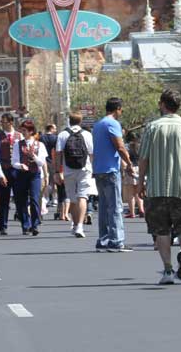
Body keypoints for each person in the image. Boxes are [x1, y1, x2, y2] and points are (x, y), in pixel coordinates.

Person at [137, 89, 181, 285]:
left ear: (162, 104)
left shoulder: (152, 127)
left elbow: (143, 158)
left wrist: (141, 182)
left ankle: (167, 270)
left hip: (156, 188)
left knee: (161, 230)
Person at [92, 97, 133, 252]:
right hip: (110, 170)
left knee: (103, 206)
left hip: (99, 169)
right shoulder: (113, 123)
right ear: (118, 109)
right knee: (116, 206)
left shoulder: (98, 125)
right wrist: (129, 164)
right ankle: (116, 240)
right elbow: (120, 147)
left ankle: (104, 239)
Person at [55, 112, 94, 238]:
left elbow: (58, 154)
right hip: (84, 169)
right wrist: (94, 169)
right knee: (83, 197)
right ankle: (80, 227)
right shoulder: (87, 134)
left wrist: (57, 171)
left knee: (72, 198)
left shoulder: (62, 134)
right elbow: (92, 153)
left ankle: (75, 224)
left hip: (68, 170)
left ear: (69, 121)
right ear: (80, 121)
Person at [0, 113, 23, 236]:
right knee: (4, 200)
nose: (2, 124)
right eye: (1, 122)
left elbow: (22, 154)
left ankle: (26, 224)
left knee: (21, 199)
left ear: (11, 122)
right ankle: (3, 226)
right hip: (4, 170)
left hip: (17, 171)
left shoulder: (19, 135)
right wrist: (0, 174)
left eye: (4, 122)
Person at [13, 120, 47, 236]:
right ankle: (25, 224)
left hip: (34, 174)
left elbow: (42, 163)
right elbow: (14, 161)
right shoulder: (18, 144)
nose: (23, 133)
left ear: (31, 131)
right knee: (21, 200)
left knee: (34, 198)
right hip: (22, 174)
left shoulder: (39, 145)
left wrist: (34, 156)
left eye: (25, 130)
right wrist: (20, 165)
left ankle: (35, 224)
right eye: (22, 130)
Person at [122, 133, 143, 218]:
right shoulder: (140, 146)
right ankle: (141, 210)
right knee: (138, 191)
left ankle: (132, 212)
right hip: (140, 168)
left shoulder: (126, 146)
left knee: (130, 193)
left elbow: (123, 158)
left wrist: (124, 169)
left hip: (130, 168)